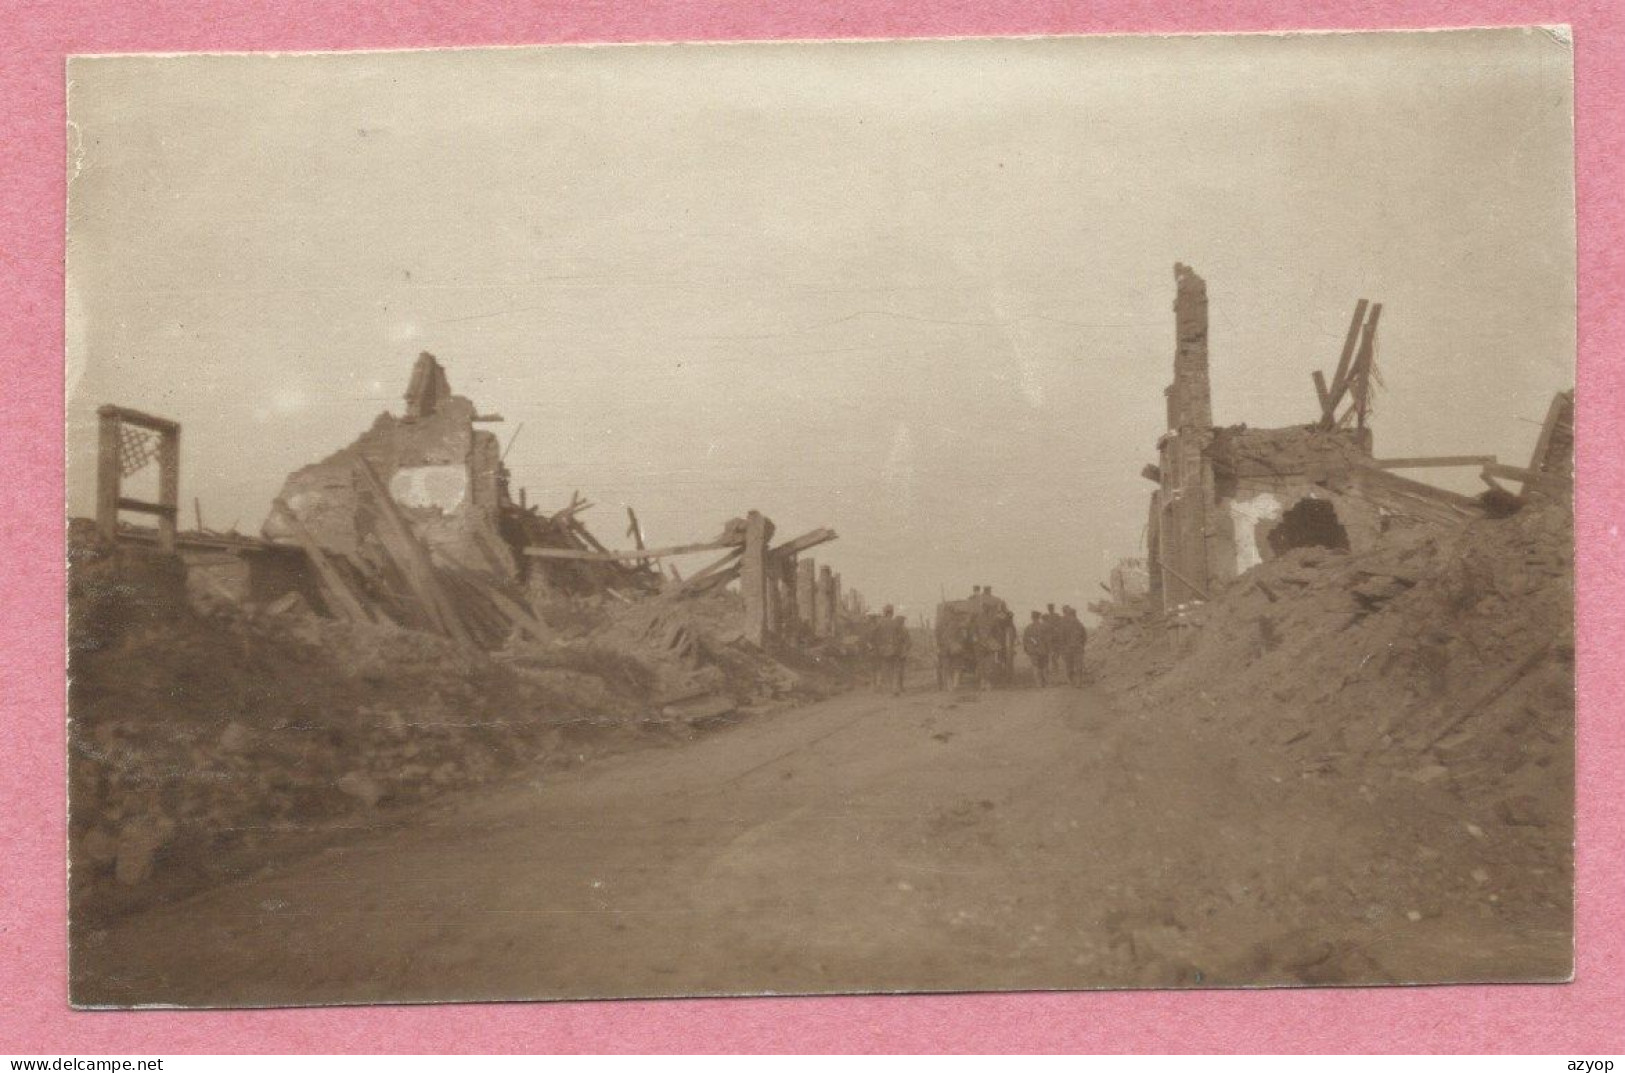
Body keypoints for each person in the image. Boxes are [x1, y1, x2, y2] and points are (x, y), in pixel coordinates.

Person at [872, 604, 911, 696]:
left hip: (883, 651)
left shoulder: (879, 624)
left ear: (885, 612)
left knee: (886, 669)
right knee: (896, 669)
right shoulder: (895, 624)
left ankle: (888, 689)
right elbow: (903, 637)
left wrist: (877, 646)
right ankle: (895, 688)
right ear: (892, 613)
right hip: (895, 650)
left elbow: (873, 636)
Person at [1058, 605, 1089, 687]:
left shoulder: (1064, 624)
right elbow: (1084, 637)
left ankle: (1071, 681)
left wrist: (1062, 648)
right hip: (1078, 648)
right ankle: (1078, 682)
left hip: (1068, 648)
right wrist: (1081, 645)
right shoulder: (1079, 624)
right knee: (1078, 665)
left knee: (1069, 665)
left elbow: (1061, 637)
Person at [1022, 610, 1050, 687]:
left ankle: (1039, 683)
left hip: (1033, 651)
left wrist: (1027, 649)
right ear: (1039, 618)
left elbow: (1025, 640)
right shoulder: (1044, 627)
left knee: (1036, 666)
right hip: (1043, 650)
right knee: (1044, 666)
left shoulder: (1028, 628)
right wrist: (1048, 648)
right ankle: (1045, 682)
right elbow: (1048, 639)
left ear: (1032, 618)